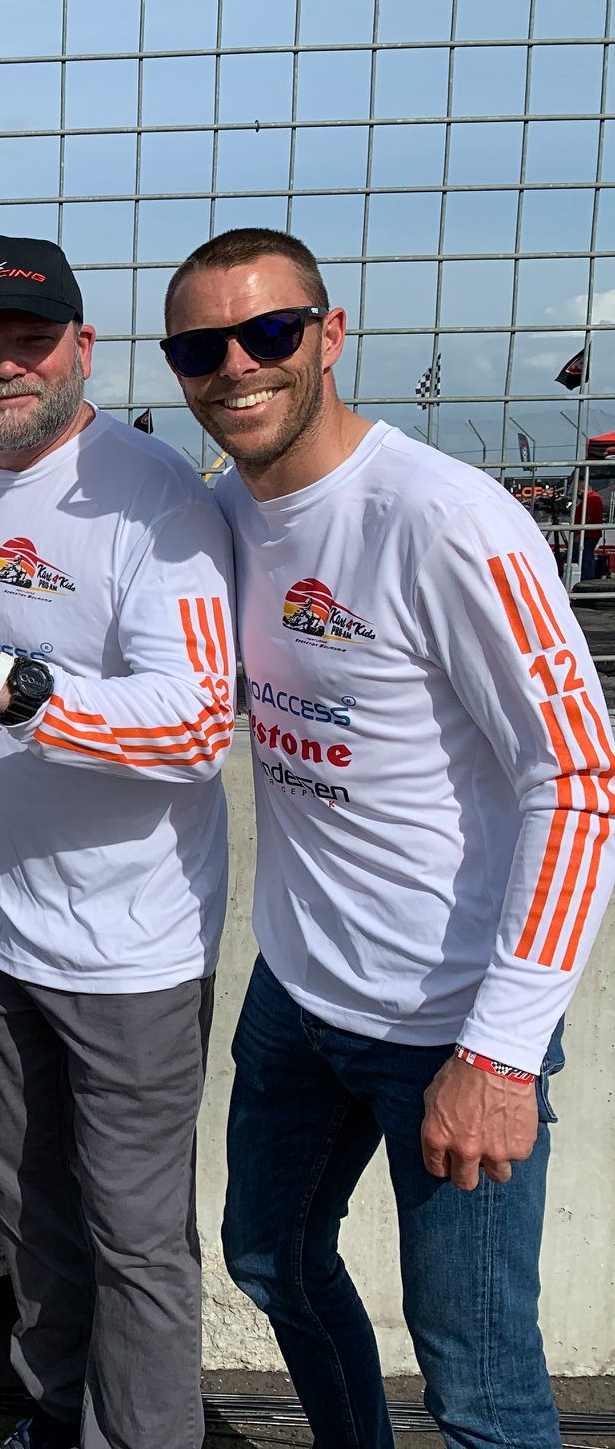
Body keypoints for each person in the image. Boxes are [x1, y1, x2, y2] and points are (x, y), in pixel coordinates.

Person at [164, 226, 613, 1449]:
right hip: (302, 994)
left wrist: (502, 1054)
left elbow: (578, 777)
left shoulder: (447, 519)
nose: (236, 365)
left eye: (268, 332)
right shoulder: (223, 515)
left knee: (479, 1383)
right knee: (269, 1257)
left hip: (453, 1021)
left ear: (330, 335)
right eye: (201, 347)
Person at [0, 236, 235, 1449]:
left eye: (32, 342)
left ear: (84, 347)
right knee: (32, 1211)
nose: (6, 366)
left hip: (129, 949)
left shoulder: (154, 496)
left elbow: (198, 725)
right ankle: (52, 1412)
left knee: (137, 1240)